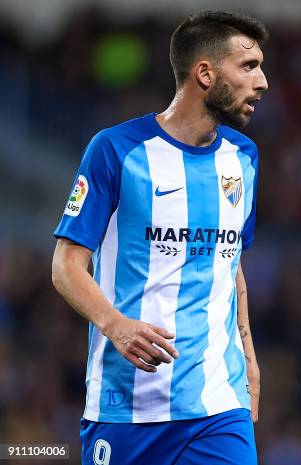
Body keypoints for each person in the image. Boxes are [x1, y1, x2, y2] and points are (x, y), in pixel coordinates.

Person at [51, 10, 268, 465]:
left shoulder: (243, 158)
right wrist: (115, 325)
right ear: (205, 73)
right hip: (124, 406)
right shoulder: (116, 150)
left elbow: (231, 265)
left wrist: (248, 355)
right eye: (248, 67)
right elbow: (67, 266)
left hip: (218, 405)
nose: (262, 81)